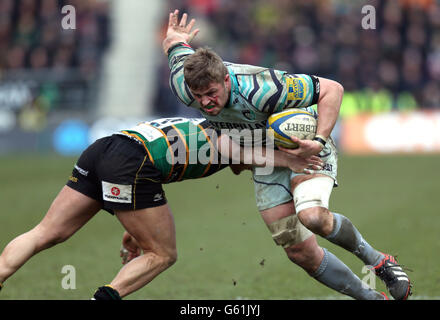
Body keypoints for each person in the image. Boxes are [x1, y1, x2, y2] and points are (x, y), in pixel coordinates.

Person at [161, 10, 412, 300]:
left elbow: (333, 89)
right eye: (198, 96)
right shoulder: (184, 85)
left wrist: (317, 141)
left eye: (211, 93)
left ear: (227, 81)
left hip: (302, 144)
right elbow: (176, 52)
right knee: (297, 249)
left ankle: (380, 262)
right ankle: (371, 299)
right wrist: (175, 41)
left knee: (312, 217)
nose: (204, 102)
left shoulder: (262, 90)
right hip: (267, 155)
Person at [0, 117, 324, 299]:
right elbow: (248, 157)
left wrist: (135, 231)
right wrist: (292, 159)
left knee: (46, 232)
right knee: (162, 254)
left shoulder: (203, 122)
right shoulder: (239, 140)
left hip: (104, 147)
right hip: (132, 164)